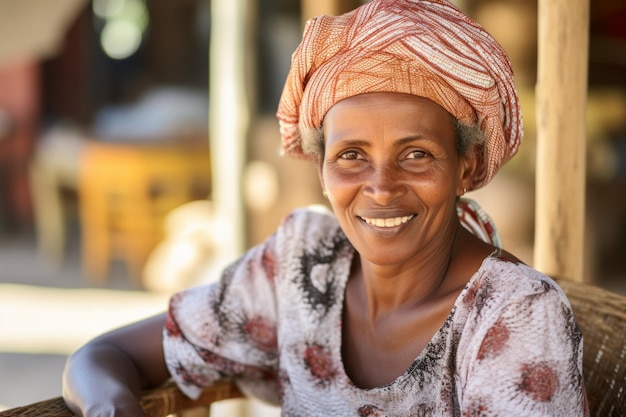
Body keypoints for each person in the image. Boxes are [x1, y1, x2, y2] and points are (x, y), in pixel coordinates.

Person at [62, 0, 590, 415]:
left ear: (467, 167)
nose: (381, 187)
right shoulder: (302, 267)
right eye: (351, 155)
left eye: (416, 154)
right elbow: (105, 357)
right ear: (321, 172)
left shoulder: (514, 315)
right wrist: (112, 407)